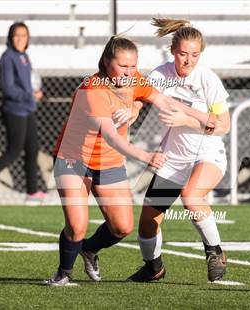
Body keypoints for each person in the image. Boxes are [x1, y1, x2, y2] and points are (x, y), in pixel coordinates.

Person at [47, 35, 215, 286]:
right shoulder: (91, 89)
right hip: (74, 160)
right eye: (123, 66)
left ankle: (89, 250)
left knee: (122, 227)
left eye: (133, 66)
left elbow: (163, 100)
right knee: (77, 225)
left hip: (108, 162)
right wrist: (145, 156)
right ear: (106, 62)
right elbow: (113, 137)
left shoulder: (134, 79)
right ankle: (63, 274)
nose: (129, 72)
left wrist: (201, 116)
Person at [127, 18, 231, 283]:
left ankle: (215, 252)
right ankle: (153, 268)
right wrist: (131, 111)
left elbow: (223, 126)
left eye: (194, 55)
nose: (188, 61)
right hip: (173, 160)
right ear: (173, 51)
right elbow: (140, 99)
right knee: (148, 224)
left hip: (207, 155)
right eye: (183, 54)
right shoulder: (161, 75)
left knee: (191, 196)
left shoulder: (208, 79)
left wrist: (186, 120)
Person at [0, 22, 46, 205]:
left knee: (33, 149)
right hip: (14, 111)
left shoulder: (24, 56)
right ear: (10, 38)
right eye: (16, 35)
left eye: (24, 35)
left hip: (28, 109)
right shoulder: (7, 58)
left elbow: (31, 82)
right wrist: (29, 94)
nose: (20, 39)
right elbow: (8, 88)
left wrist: (37, 91)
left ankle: (32, 193)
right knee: (13, 151)